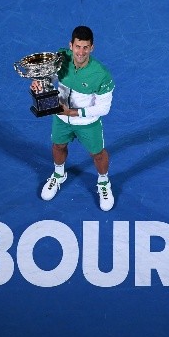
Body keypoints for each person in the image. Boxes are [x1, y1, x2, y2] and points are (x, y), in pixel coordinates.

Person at [31, 26, 115, 211]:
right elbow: (51, 76)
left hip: (87, 122)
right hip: (61, 118)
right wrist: (41, 82)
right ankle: (59, 174)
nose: (81, 52)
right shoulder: (61, 58)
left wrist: (74, 113)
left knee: (98, 154)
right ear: (71, 45)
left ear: (92, 47)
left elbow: (104, 108)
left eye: (85, 47)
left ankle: (103, 183)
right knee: (58, 146)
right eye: (77, 46)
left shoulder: (101, 75)